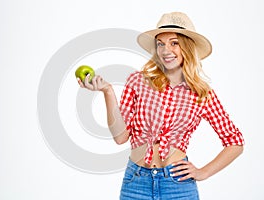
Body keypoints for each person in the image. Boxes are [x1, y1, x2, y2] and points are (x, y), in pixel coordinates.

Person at [77, 12, 244, 200]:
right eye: (160, 44)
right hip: (136, 183)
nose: (166, 50)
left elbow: (235, 141)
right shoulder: (137, 81)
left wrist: (203, 172)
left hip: (178, 185)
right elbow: (120, 136)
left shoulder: (201, 93)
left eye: (174, 43)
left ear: (187, 47)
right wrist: (107, 91)